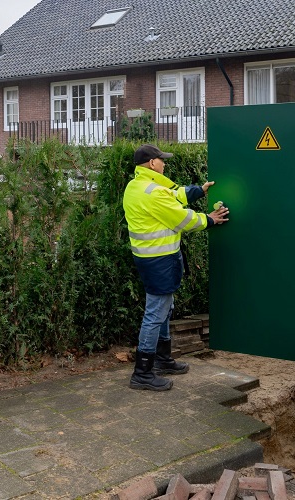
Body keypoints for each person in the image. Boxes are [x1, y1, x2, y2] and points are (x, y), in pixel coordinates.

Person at [123, 144, 229, 391]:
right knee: (155, 313)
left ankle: (162, 359)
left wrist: (199, 191)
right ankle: (143, 372)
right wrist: (210, 219)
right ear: (151, 163)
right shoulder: (152, 192)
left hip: (151, 259)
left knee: (164, 309)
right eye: (162, 160)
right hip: (159, 261)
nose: (165, 163)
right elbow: (183, 219)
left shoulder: (138, 186)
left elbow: (174, 195)